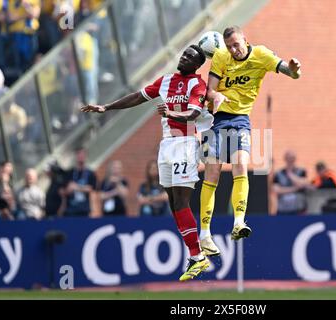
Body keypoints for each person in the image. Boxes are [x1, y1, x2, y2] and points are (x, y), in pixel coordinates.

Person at [81, 44, 211, 281]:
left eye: (190, 57)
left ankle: (198, 255)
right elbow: (137, 97)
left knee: (182, 200)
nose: (183, 57)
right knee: (174, 204)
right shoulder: (166, 80)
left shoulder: (197, 84)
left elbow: (192, 114)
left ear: (197, 65)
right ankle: (195, 256)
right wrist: (106, 107)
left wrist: (171, 114)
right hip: (166, 146)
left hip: (185, 144)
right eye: (183, 53)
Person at [199, 26, 301, 255]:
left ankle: (238, 222)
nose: (233, 50)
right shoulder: (221, 57)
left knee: (241, 166)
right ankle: (204, 234)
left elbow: (289, 71)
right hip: (214, 120)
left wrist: (294, 71)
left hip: (240, 119)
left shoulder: (261, 55)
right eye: (229, 46)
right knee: (212, 174)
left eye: (236, 44)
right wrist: (216, 97)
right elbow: (209, 91)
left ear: (245, 40)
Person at [63, 147, 97, 217]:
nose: (81, 157)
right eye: (79, 154)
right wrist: (83, 188)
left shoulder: (90, 173)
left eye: (83, 155)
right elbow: (66, 190)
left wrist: (76, 187)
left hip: (85, 209)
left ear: (86, 156)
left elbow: (91, 189)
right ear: (76, 156)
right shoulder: (70, 173)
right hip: (71, 209)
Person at [272, 150, 308, 215]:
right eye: (288, 158)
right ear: (285, 159)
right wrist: (294, 188)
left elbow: (303, 184)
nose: (290, 160)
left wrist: (290, 175)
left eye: (292, 158)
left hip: (298, 209)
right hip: (283, 209)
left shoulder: (301, 171)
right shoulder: (278, 173)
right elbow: (276, 190)